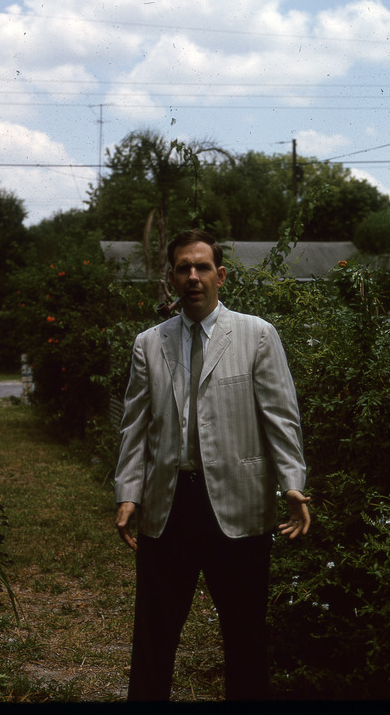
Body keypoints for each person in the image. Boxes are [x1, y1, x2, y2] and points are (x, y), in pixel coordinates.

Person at [115, 229, 310, 701]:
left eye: (203, 267)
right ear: (171, 278)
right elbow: (134, 427)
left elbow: (280, 418)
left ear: (220, 276)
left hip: (240, 508)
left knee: (246, 639)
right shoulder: (149, 343)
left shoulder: (256, 335)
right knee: (154, 639)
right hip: (169, 508)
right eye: (184, 268)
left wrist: (292, 484)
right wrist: (128, 493)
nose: (194, 277)